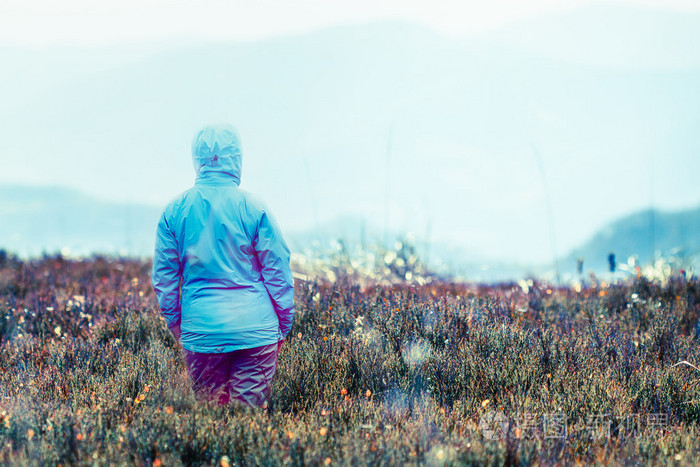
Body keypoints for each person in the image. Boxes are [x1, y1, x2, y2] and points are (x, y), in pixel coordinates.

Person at [152, 123, 295, 408]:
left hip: (202, 332)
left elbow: (165, 282)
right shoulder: (255, 208)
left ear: (197, 159)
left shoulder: (174, 211)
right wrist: (283, 323)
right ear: (236, 158)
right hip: (256, 331)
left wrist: (179, 327)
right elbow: (277, 271)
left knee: (211, 418)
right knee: (246, 421)